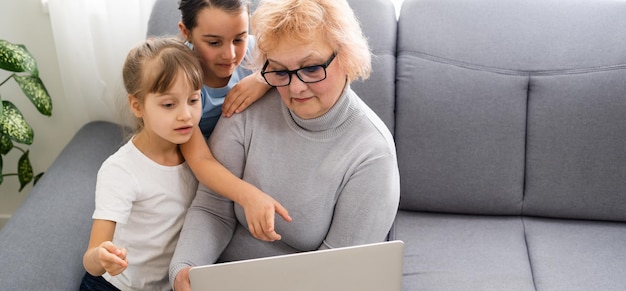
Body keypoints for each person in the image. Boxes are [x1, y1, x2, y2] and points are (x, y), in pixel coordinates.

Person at [169, 0, 401, 289]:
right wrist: (185, 268)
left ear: (346, 57)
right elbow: (213, 206)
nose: (295, 88)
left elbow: (339, 274)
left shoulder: (372, 154)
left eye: (312, 68)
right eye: (279, 71)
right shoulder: (246, 107)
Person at [80, 37, 203, 291]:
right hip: (114, 286)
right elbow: (91, 260)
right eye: (169, 104)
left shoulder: (197, 155)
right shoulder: (121, 170)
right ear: (137, 105)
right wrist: (103, 256)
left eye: (193, 100)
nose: (186, 115)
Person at [176, 0, 292, 242]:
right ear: (186, 32)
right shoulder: (183, 79)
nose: (230, 55)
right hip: (211, 164)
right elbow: (200, 160)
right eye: (214, 42)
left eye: (239, 38)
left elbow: (302, 58)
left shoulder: (254, 51)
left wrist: (263, 79)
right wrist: (250, 196)